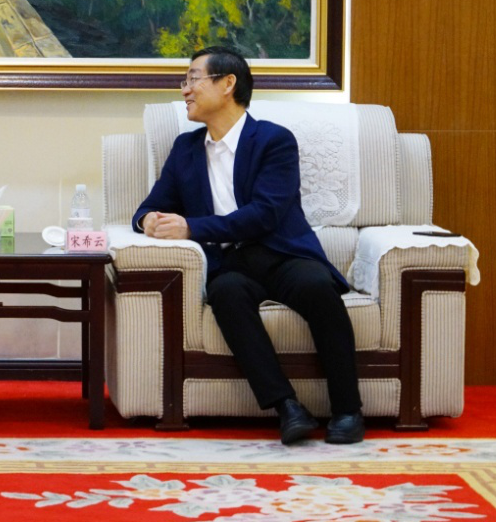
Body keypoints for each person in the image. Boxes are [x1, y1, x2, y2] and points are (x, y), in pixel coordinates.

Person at [133, 47, 364, 445]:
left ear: (228, 84)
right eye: (185, 81)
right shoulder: (186, 149)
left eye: (193, 79)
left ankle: (347, 409)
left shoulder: (274, 140)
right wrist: (148, 220)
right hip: (231, 263)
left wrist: (191, 227)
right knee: (226, 294)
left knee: (316, 287)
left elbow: (265, 214)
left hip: (283, 252)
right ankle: (287, 407)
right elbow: (148, 207)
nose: (185, 89)